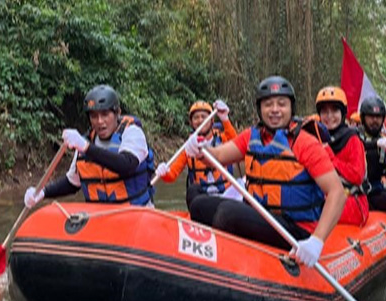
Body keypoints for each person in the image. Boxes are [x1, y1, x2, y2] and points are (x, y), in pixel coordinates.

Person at [185, 76, 346, 268]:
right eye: (268, 104)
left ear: (291, 108)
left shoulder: (305, 143)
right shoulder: (252, 136)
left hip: (294, 230)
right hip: (261, 216)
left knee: (228, 214)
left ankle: (229, 263)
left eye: (282, 104)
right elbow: (218, 155)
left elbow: (337, 192)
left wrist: (317, 240)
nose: (275, 110)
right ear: (260, 109)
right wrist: (200, 150)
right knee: (199, 204)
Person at [23, 84, 155, 208]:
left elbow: (126, 164)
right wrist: (43, 192)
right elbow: (72, 183)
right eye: (94, 116)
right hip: (103, 219)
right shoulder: (86, 142)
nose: (100, 121)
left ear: (117, 113)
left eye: (105, 114)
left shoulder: (132, 133)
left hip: (137, 215)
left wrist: (86, 147)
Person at [154, 100, 239, 208]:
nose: (200, 120)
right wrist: (164, 172)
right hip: (203, 200)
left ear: (212, 120)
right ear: (191, 123)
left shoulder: (223, 138)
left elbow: (238, 146)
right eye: (196, 118)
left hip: (226, 196)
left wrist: (225, 120)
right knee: (192, 190)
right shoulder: (189, 147)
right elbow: (172, 175)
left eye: (204, 117)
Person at [316, 86, 369, 226]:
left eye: (334, 110)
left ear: (342, 113)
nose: (329, 116)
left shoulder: (352, 139)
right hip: (323, 198)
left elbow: (357, 176)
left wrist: (331, 159)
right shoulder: (316, 138)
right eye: (324, 112)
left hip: (351, 201)